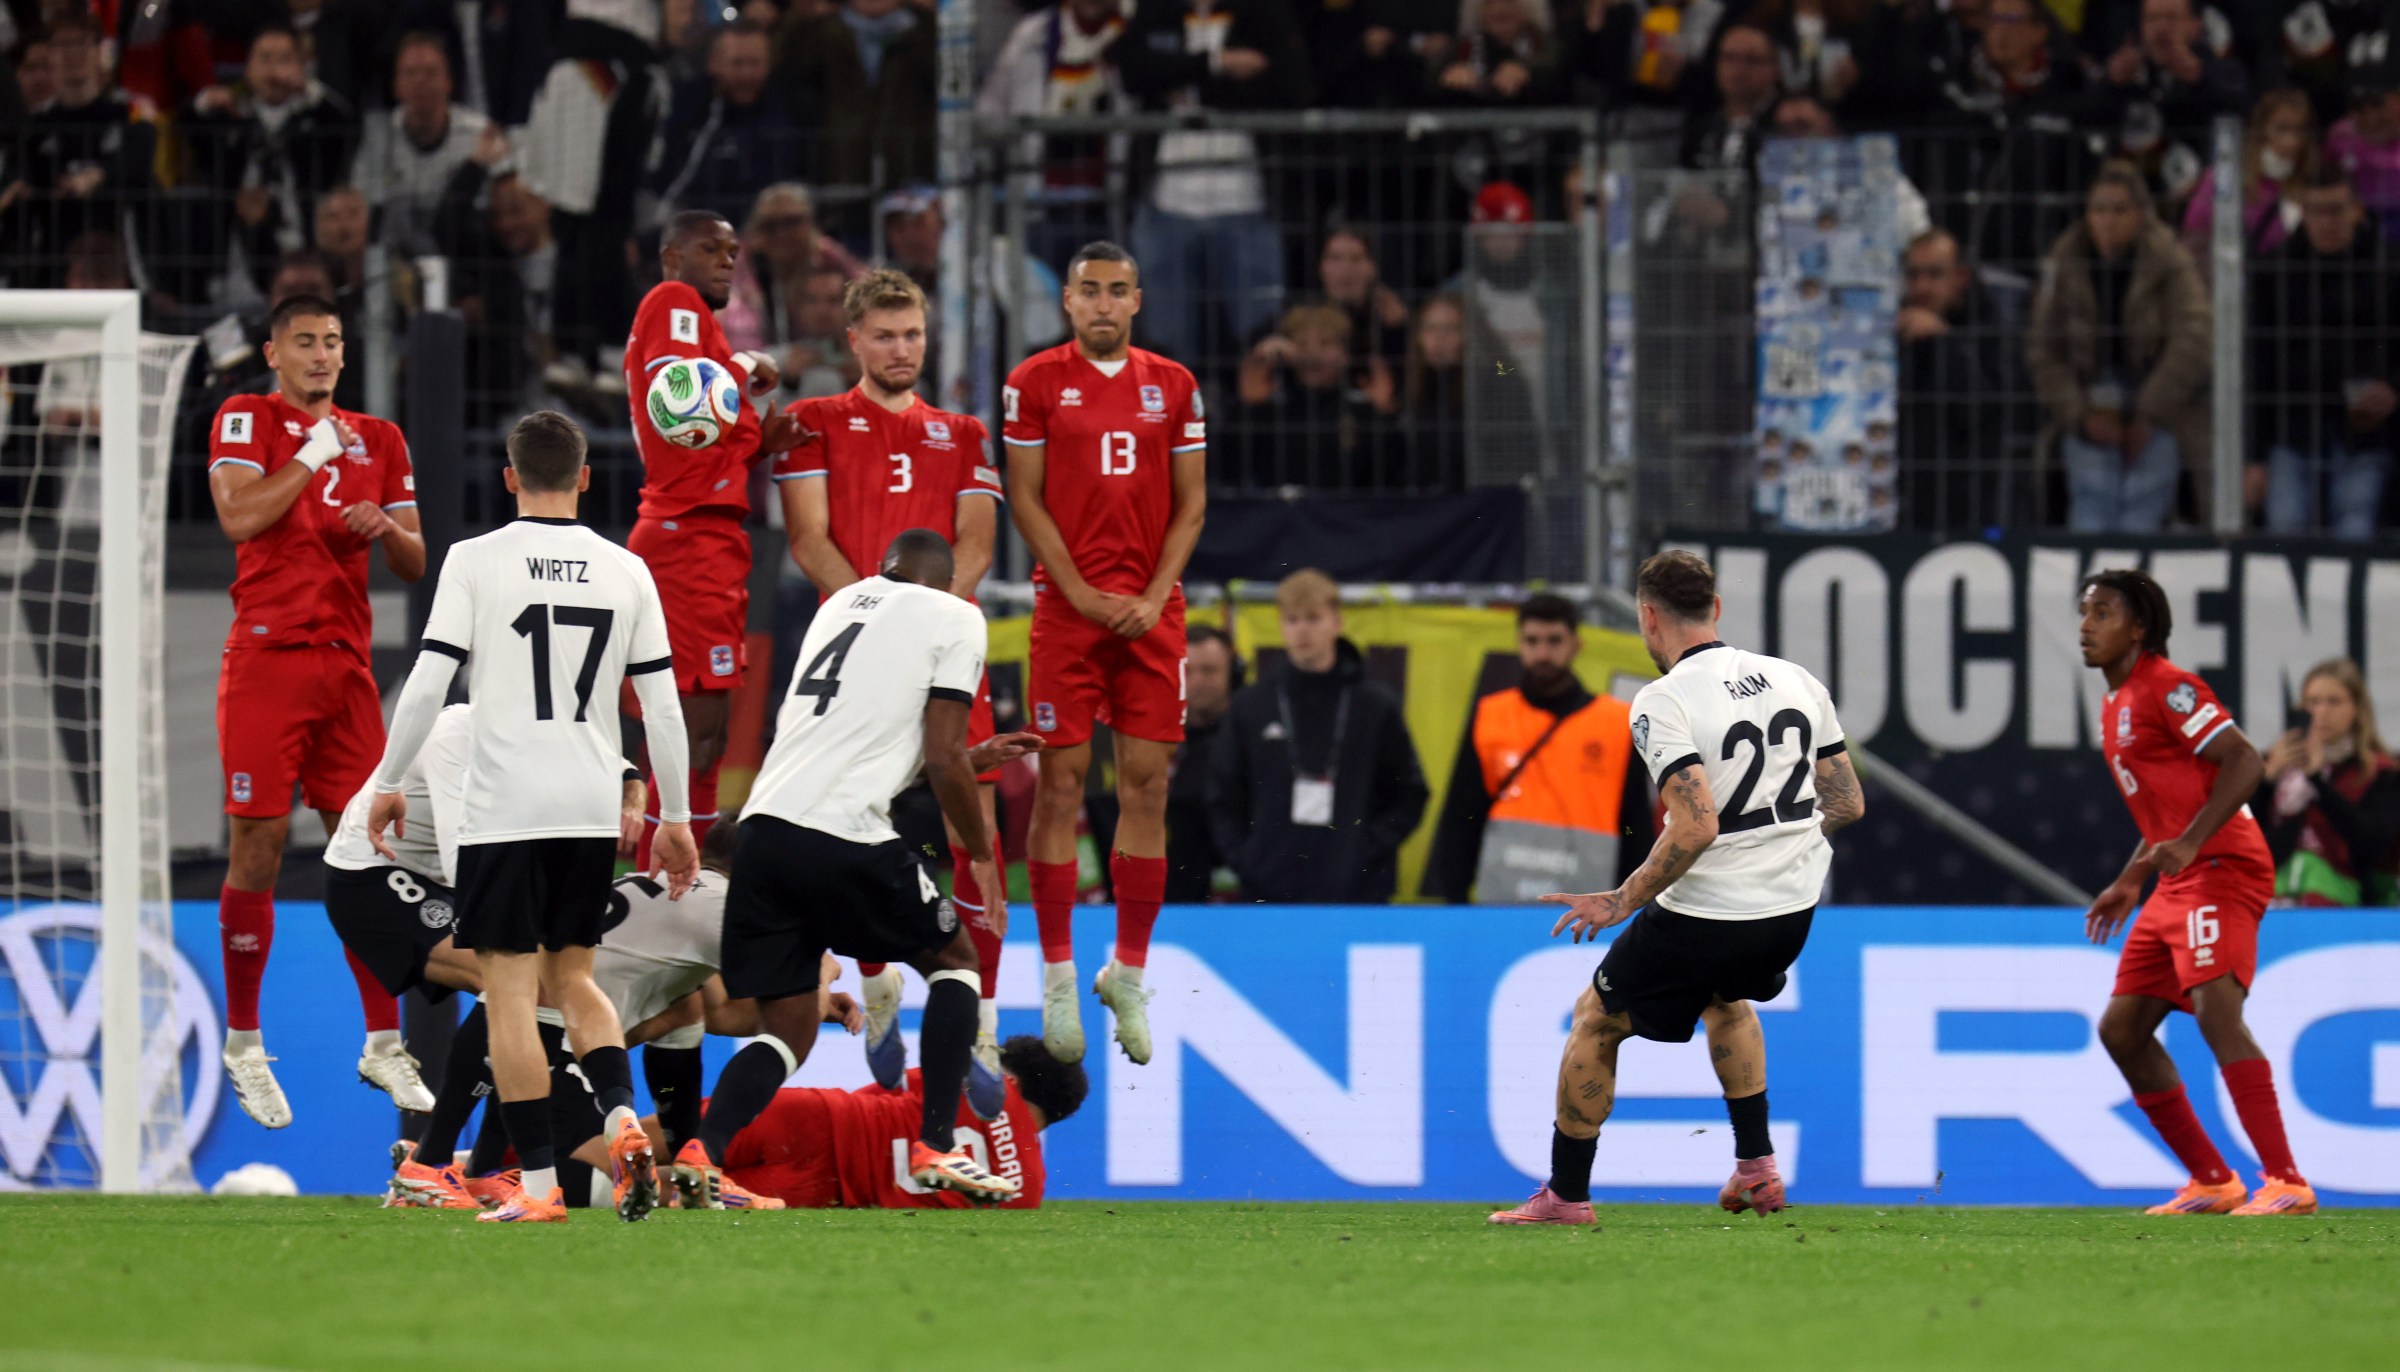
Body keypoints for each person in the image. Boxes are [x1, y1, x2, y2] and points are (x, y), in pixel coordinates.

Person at [368, 409, 700, 1225]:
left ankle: (543, 1192)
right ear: (587, 478)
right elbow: (661, 709)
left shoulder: (475, 561)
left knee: (513, 994)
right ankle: (622, 1112)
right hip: (588, 805)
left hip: (503, 808)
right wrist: (676, 815)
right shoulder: (627, 570)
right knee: (576, 978)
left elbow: (429, 681)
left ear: (510, 478)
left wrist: (386, 778)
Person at [1490, 551, 1865, 1226]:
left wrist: (1620, 900)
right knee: (1727, 998)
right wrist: (1780, 848)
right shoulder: (1794, 678)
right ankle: (1757, 1168)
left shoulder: (1662, 699)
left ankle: (1566, 1197)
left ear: (1647, 617)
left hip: (1712, 909)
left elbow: (1694, 827)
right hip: (1791, 912)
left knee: (1595, 1019)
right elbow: (1846, 802)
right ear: (1715, 610)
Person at [667, 531, 1032, 1209]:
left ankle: (702, 1151)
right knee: (955, 960)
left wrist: (970, 760)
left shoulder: (838, 608)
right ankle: (934, 1145)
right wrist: (983, 852)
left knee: (788, 1029)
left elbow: (861, 746)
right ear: (947, 583)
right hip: (843, 834)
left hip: (763, 837)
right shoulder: (956, 616)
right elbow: (941, 752)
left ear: (883, 568)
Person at [774, 269, 1012, 1107]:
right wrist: (879, 624)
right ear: (854, 342)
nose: (901, 349)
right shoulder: (813, 424)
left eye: (912, 334)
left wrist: (923, 629)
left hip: (944, 657)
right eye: (885, 335)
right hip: (855, 665)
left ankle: (979, 1012)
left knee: (974, 830)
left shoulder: (967, 433)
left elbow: (975, 547)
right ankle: (877, 991)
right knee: (851, 825)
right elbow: (809, 540)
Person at [390, 813, 865, 1214]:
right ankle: (441, 1172)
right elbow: (789, 996)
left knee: (687, 1009)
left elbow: (724, 1014)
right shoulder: (721, 911)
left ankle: (452, 1162)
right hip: (551, 1045)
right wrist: (820, 975)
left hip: (525, 1029)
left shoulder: (675, 891)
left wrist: (816, 1006)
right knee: (622, 1187)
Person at [205, 294, 427, 1130]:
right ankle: (244, 1044)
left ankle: (382, 1043)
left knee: (368, 851)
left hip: (347, 668)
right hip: (266, 657)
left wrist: (381, 528)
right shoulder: (244, 417)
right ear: (273, 352)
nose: (323, 355)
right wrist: (310, 454)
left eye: (333, 342)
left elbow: (414, 558)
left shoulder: (384, 439)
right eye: (305, 342)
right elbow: (239, 514)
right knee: (257, 845)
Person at [1003, 240, 1208, 1067]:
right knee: (1059, 783)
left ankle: (1126, 969)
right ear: (1069, 301)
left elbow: (1192, 507)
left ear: (1136, 301)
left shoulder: (1176, 386)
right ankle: (1056, 976)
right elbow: (1023, 496)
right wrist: (1083, 594)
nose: (1101, 304)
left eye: (1116, 292)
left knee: (1148, 785)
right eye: (1087, 290)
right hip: (1067, 611)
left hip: (1152, 612)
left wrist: (1156, 595)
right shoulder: (1033, 383)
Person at [2076, 568, 2315, 1216]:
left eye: (2102, 613)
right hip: (2179, 877)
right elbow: (2165, 810)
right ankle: (2212, 1180)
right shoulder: (2115, 701)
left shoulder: (2169, 687)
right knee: (2122, 1030)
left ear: (2139, 627)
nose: (2085, 626)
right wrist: (2135, 875)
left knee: (2216, 1012)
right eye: (2084, 612)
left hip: (2224, 866)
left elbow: (2244, 760)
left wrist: (2186, 846)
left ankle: (2287, 1182)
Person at [622, 210, 807, 862]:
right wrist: (749, 367)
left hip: (702, 534)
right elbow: (681, 404)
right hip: (686, 541)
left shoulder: (697, 326)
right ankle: (668, 890)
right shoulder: (675, 303)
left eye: (733, 251)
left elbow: (696, 439)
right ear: (672, 256)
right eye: (710, 249)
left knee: (703, 735)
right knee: (692, 732)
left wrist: (756, 442)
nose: (727, 260)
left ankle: (674, 878)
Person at [1207, 570, 1428, 904]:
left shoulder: (1374, 705)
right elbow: (1222, 792)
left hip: (1356, 892)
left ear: (1337, 622)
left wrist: (1364, 850)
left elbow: (1411, 792)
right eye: (1292, 620)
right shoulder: (1253, 704)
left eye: (1313, 618)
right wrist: (1248, 859)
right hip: (1269, 890)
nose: (1302, 630)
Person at [1425, 594, 1653, 904]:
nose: (1542, 652)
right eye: (1532, 641)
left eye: (1554, 640)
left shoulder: (1616, 723)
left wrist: (1632, 902)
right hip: (1502, 899)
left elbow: (1635, 822)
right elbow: (1462, 816)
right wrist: (1455, 901)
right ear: (1519, 644)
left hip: (1589, 906)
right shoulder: (1491, 715)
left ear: (1576, 644)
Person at [2025, 161, 2211, 532]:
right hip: (2089, 403)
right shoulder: (2064, 260)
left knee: (2143, 510)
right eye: (2099, 210)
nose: (2108, 220)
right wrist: (2079, 414)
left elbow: (2194, 337)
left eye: (2119, 210)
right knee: (2091, 508)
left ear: (2141, 214)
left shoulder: (2172, 261)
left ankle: (2132, 585)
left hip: (2161, 403)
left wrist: (2149, 411)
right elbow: (2043, 350)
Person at [714, 1038, 1088, 1209]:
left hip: (827, 1119)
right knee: (691, 1193)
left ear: (1013, 1081)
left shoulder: (980, 1083)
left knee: (688, 1137)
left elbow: (881, 1091)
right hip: (835, 1191)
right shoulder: (1027, 1192)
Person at [2247, 169, 2398, 539]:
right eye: (2316, 211)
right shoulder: (2275, 270)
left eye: (2335, 210)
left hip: (2366, 433)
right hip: (2293, 429)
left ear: (2357, 211)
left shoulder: (2389, 268)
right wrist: (2254, 457)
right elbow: (2258, 367)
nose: (2326, 222)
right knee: (2286, 531)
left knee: (2355, 531)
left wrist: (2395, 388)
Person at [2254, 657, 2400, 908]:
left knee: (2308, 867)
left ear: (2357, 708)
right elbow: (2240, 836)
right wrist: (2266, 782)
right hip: (2271, 889)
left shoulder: (2380, 772)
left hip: (2347, 898)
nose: (2321, 712)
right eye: (2313, 702)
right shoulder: (2275, 763)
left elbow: (2373, 845)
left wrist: (2317, 783)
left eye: (2334, 702)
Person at [1895, 228, 2014, 529]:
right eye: (1913, 275)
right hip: (1897, 497)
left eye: (1935, 275)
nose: (1921, 287)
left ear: (1961, 277)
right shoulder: (1889, 325)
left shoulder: (1990, 327)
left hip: (1967, 503)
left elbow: (1983, 413)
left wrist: (1943, 341)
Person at [655, 20, 813, 227]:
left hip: (771, 231)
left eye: (755, 63)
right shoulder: (685, 107)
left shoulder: (792, 107)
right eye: (737, 63)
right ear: (714, 63)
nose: (747, 74)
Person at [350, 31, 490, 257]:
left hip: (463, 258)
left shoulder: (478, 134)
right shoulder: (380, 137)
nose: (420, 81)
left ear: (448, 82)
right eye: (410, 73)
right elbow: (361, 207)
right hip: (392, 261)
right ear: (396, 85)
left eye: (430, 72)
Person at [1232, 302, 1397, 492]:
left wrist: (1384, 416)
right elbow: (1229, 467)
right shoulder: (1269, 410)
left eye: (1325, 343)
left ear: (1345, 353)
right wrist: (1248, 408)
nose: (1312, 354)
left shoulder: (1363, 409)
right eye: (1302, 344)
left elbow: (1391, 477)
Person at [2178, 88, 2316, 264]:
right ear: (2262, 129)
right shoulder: (2224, 179)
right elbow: (2194, 238)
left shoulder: (2313, 182)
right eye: (2282, 129)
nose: (2292, 141)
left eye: (2300, 131)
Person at [1166, 623, 1240, 903]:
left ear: (1232, 674)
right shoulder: (1152, 738)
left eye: (1209, 670)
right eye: (1187, 671)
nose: (1196, 681)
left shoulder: (1251, 735)